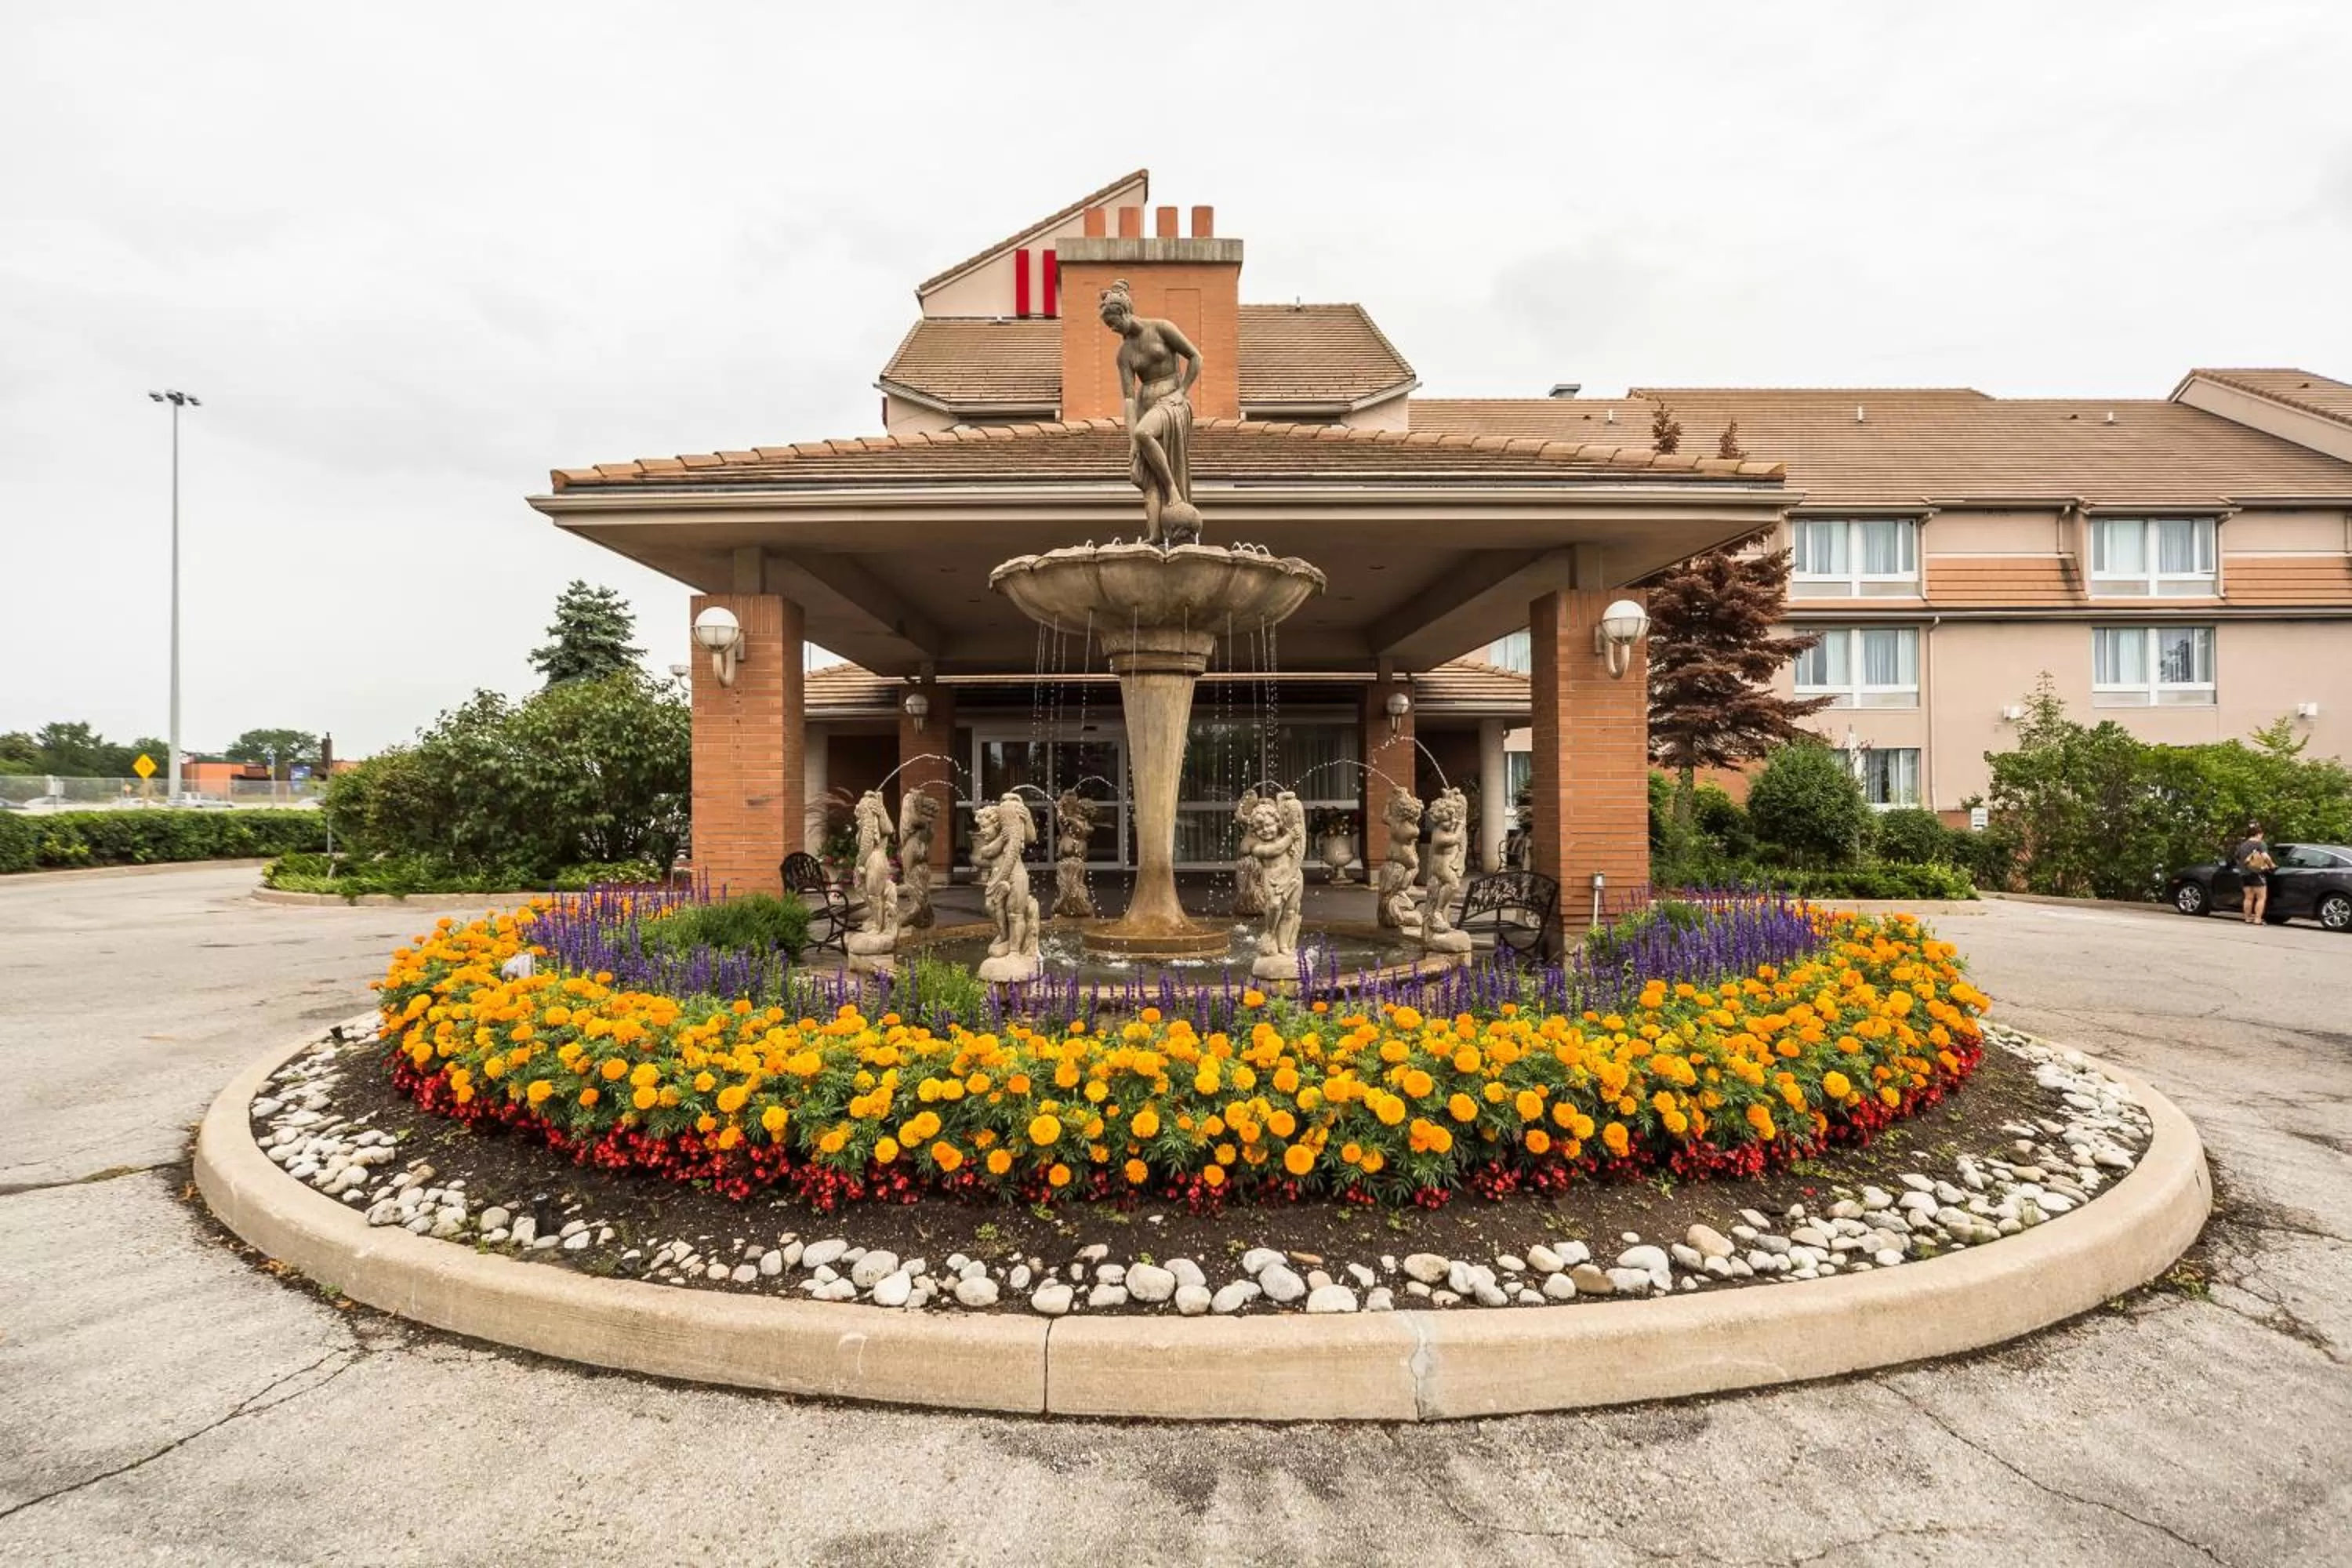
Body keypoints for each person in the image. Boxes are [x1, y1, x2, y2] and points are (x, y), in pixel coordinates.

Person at [2232, 820, 2276, 926]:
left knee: (2248, 897)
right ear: (2258, 834)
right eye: (2262, 835)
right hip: (2257, 873)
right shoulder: (2260, 844)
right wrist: (2271, 865)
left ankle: (2247, 918)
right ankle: (2257, 919)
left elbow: (2236, 857)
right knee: (2261, 897)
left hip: (2244, 874)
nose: (2262, 837)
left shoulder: (2243, 845)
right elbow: (2265, 856)